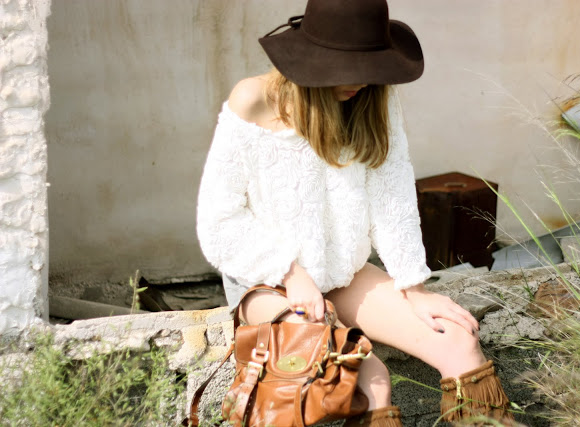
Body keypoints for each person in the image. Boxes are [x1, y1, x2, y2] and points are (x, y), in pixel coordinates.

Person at [196, 0, 514, 425]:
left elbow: (392, 200)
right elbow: (219, 222)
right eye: (350, 67)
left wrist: (415, 287)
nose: (362, 81)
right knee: (370, 378)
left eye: (370, 66)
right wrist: (292, 273)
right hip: (266, 280)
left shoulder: (373, 100)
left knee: (459, 342)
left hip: (341, 273)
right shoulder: (253, 100)